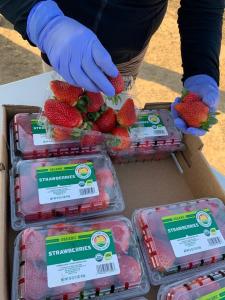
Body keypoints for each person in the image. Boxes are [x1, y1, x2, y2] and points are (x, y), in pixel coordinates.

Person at [0, 0, 223, 135]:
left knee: (113, 117)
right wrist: (44, 22)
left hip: (126, 52)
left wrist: (202, 71)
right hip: (61, 43)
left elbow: (203, 6)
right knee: (67, 118)